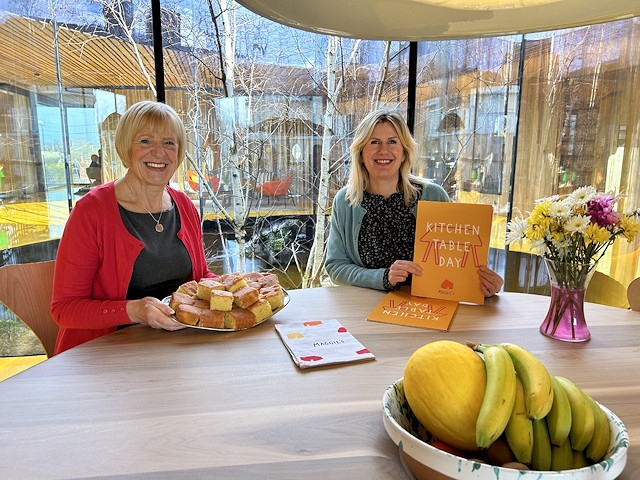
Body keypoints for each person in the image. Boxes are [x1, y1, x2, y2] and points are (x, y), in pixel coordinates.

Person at [51, 100, 218, 354]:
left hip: (179, 347)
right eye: (145, 141)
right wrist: (134, 311)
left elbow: (201, 278)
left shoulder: (184, 204)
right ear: (125, 148)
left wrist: (236, 286)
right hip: (103, 357)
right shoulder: (90, 212)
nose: (159, 153)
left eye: (169, 143)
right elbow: (65, 308)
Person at [325, 109, 503, 296]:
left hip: (427, 309)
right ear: (361, 153)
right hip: (364, 309)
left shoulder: (434, 196)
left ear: (404, 152)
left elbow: (457, 264)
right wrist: (382, 277)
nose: (383, 150)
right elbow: (336, 267)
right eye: (374, 142)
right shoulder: (346, 201)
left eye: (392, 142)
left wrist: (483, 283)